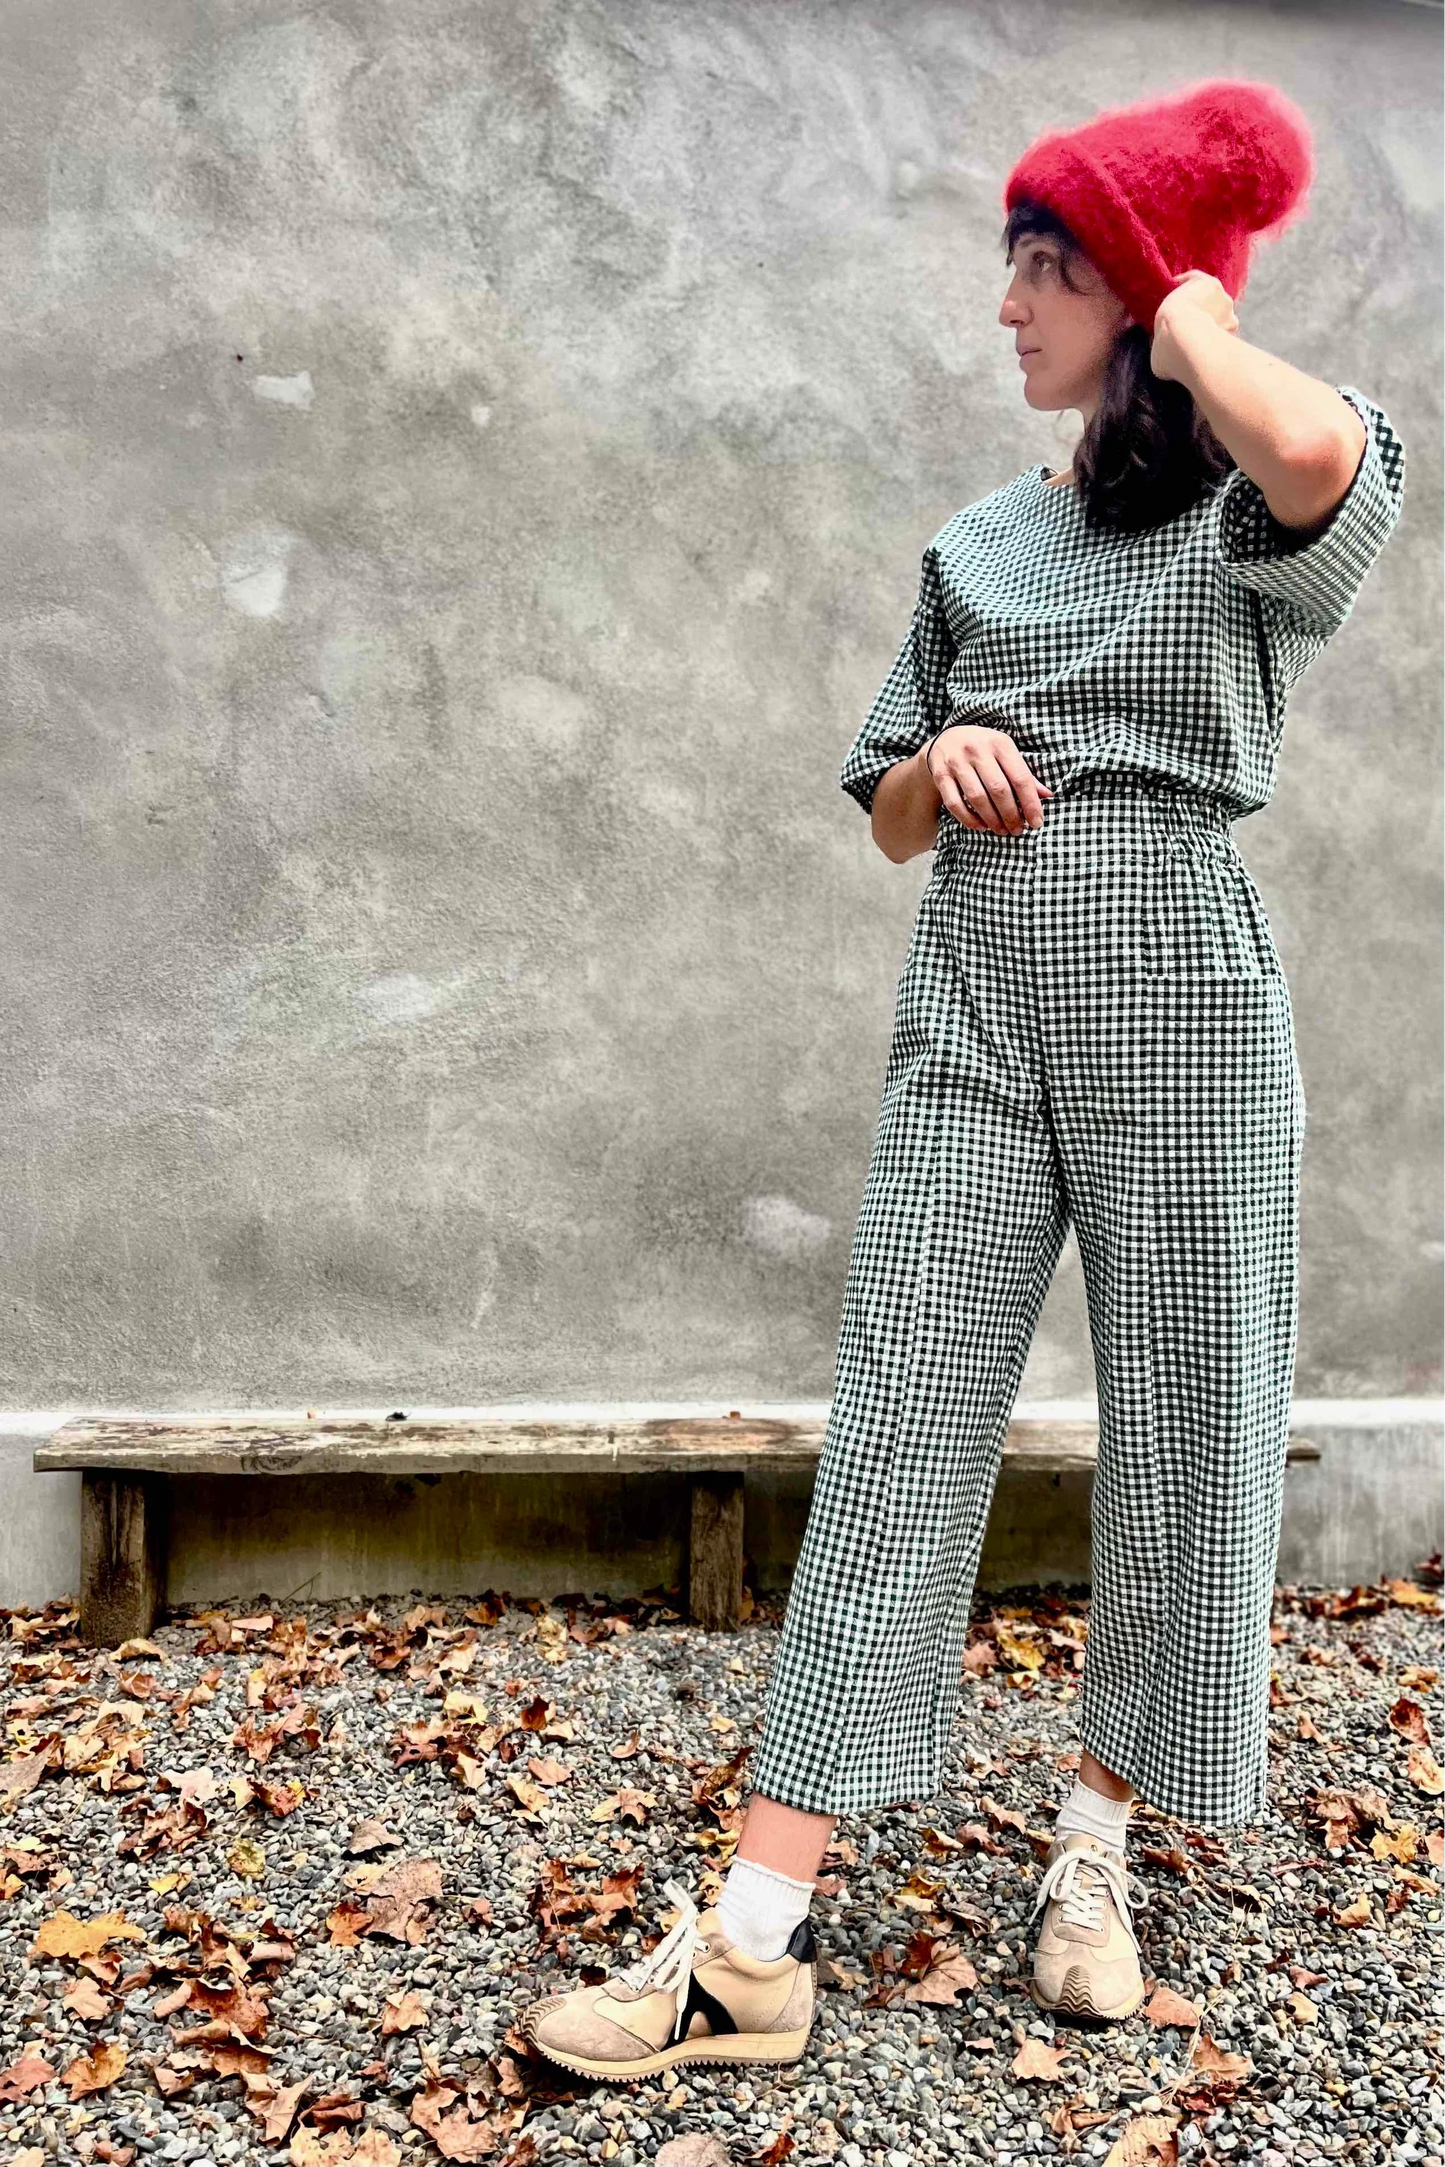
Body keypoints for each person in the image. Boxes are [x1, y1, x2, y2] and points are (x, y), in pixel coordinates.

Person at [520, 76, 1406, 2079]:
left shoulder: (1248, 518)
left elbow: (1313, 452)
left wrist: (1189, 300)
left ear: (1134, 289)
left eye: (1042, 267)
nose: (1005, 306)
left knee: (1188, 1430)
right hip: (979, 1003)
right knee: (902, 1419)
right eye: (1013, 265)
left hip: (1183, 1003)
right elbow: (885, 813)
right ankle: (751, 1940)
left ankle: (1093, 1847)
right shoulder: (976, 542)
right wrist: (941, 764)